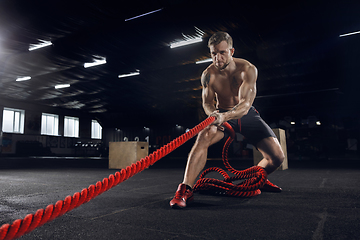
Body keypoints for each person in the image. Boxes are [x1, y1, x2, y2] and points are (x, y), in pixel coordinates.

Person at [170, 32, 285, 209]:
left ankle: (258, 180)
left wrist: (225, 116)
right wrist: (214, 115)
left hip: (246, 115)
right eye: (213, 53)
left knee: (277, 157)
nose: (218, 58)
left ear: (232, 51)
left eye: (222, 52)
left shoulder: (248, 69)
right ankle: (185, 189)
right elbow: (207, 103)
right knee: (202, 138)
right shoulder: (208, 74)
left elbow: (245, 105)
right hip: (221, 115)